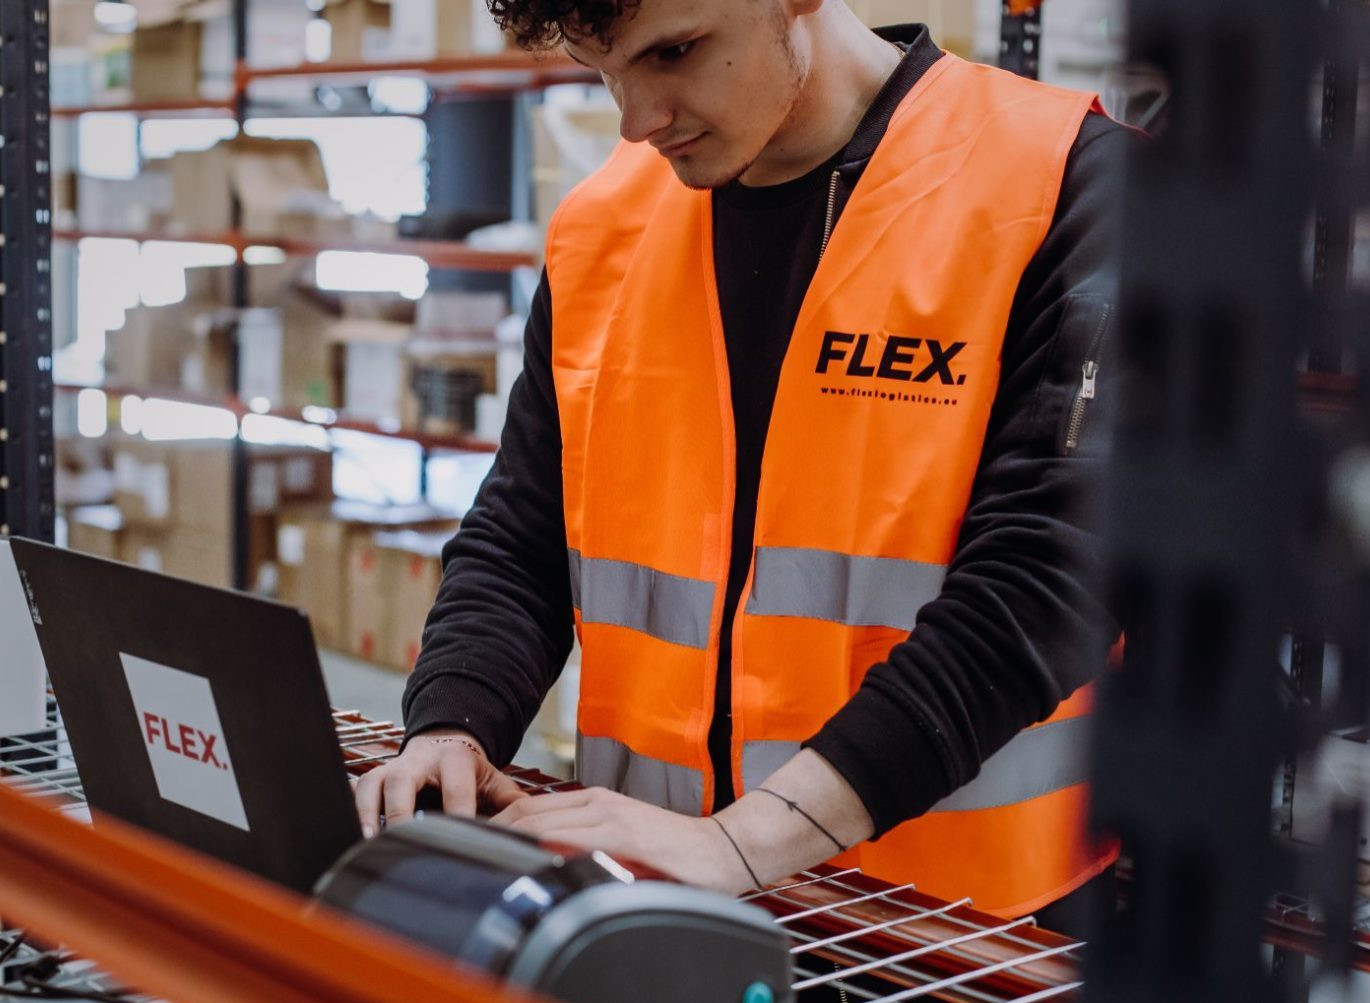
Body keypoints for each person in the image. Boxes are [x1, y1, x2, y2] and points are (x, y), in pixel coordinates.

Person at [354, 0, 1128, 924]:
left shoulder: (1069, 187)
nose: (637, 119)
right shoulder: (605, 226)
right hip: (658, 905)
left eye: (675, 53)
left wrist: (745, 841)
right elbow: (524, 533)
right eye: (602, 71)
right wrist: (452, 722)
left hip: (974, 939)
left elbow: (1053, 578)